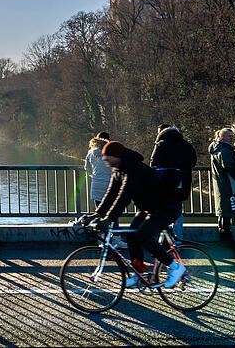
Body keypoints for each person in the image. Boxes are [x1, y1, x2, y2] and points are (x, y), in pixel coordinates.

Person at [85, 141, 187, 289]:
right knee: (132, 236)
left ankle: (174, 266)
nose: (104, 161)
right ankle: (139, 272)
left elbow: (124, 196)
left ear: (116, 156)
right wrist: (97, 214)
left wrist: (109, 219)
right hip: (149, 208)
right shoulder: (118, 168)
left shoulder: (133, 168)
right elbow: (111, 193)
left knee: (143, 235)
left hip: (167, 207)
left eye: (106, 158)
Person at [150, 124, 196, 239]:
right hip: (181, 182)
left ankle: (163, 237)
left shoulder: (160, 144)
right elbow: (192, 161)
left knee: (162, 208)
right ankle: (178, 236)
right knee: (177, 209)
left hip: (163, 183)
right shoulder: (186, 145)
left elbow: (153, 163)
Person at [84, 132, 125, 249]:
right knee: (113, 214)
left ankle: (101, 241)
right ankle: (116, 239)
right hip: (110, 186)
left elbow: (86, 168)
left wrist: (94, 176)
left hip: (96, 186)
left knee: (99, 213)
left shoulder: (91, 152)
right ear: (108, 140)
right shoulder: (111, 151)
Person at [209, 128, 235, 242]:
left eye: (232, 136)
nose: (232, 138)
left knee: (223, 210)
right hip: (226, 184)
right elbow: (229, 167)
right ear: (222, 137)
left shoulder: (218, 148)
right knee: (227, 210)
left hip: (222, 183)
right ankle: (226, 237)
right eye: (229, 136)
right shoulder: (224, 150)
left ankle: (224, 233)